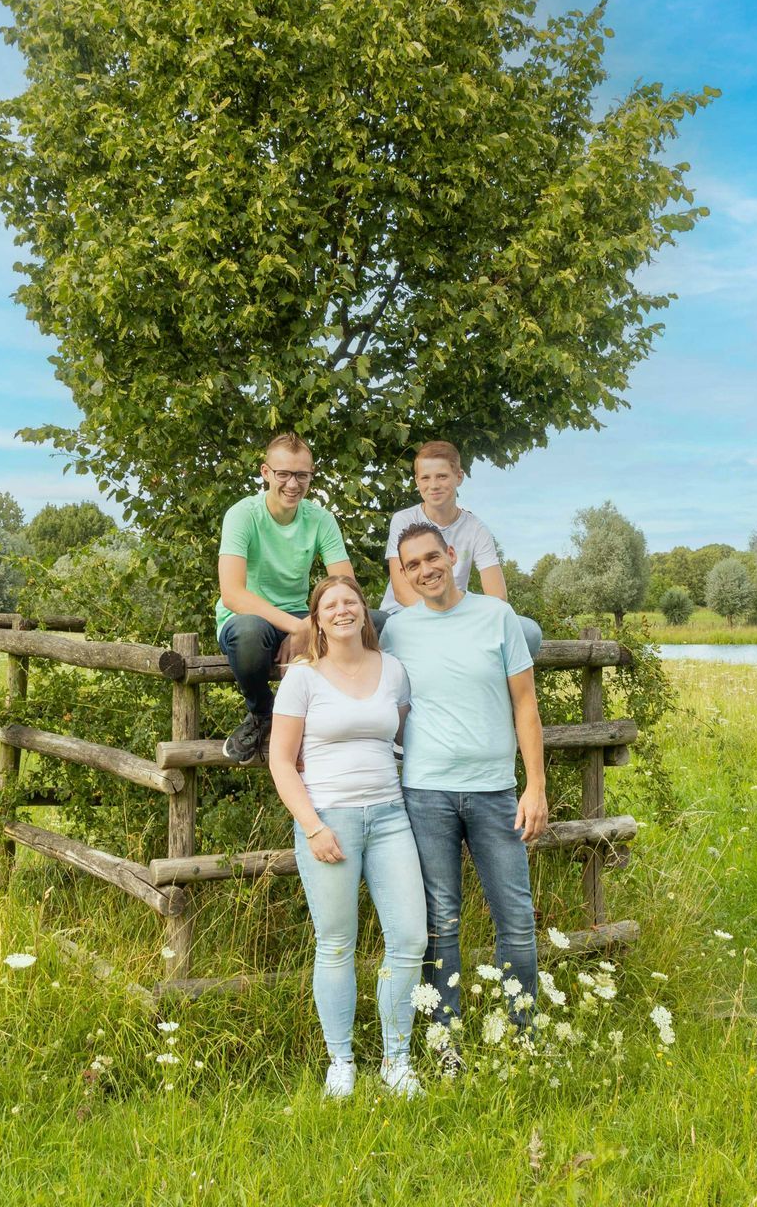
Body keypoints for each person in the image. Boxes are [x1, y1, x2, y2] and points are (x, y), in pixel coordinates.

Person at [380, 520, 547, 1068]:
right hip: (426, 793)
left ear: (451, 555)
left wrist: (535, 786)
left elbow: (525, 704)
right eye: (412, 565)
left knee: (516, 919)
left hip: (495, 791)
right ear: (403, 575)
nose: (425, 570)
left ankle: (523, 1034)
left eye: (432, 557)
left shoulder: (498, 617)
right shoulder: (397, 632)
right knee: (441, 922)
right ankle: (444, 1041)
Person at [268, 576, 426, 1099]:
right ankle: (342, 1062)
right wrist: (312, 826)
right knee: (336, 943)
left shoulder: (393, 670)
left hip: (390, 817)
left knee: (410, 939)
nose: (342, 611)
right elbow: (281, 762)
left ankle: (397, 1060)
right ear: (316, 620)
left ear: (364, 611)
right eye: (330, 605)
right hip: (328, 819)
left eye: (350, 602)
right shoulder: (302, 677)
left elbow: (400, 736)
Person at [216, 433, 364, 763]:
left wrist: (311, 622)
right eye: (283, 474)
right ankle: (262, 713)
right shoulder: (242, 514)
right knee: (249, 633)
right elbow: (232, 594)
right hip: (248, 617)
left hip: (300, 614)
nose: (293, 484)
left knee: (379, 624)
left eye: (301, 475)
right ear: (265, 472)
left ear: (311, 475)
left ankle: (356, 715)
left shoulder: (321, 519)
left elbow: (347, 589)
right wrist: (300, 628)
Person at [380, 440, 541, 658]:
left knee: (529, 632)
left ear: (459, 477)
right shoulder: (403, 520)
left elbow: (497, 597)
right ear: (417, 481)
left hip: (459, 614)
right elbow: (402, 592)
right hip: (406, 613)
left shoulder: (476, 529)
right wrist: (444, 621)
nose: (433, 485)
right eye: (425, 478)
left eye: (442, 476)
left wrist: (460, 620)